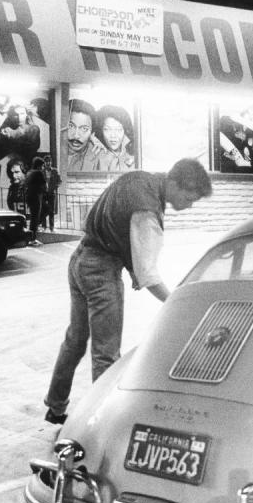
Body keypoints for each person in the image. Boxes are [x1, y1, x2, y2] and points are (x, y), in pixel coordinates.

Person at [43, 158, 213, 424]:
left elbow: (114, 219)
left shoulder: (139, 178)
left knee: (75, 340)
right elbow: (149, 274)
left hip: (80, 258)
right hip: (101, 271)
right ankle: (103, 423)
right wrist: (174, 302)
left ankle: (55, 406)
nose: (189, 205)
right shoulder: (148, 211)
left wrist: (132, 267)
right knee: (106, 353)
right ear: (178, 184)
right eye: (190, 198)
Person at [64, 99, 108, 171]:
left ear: (92, 134)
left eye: (84, 129)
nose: (76, 135)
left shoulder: (99, 156)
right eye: (71, 126)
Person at [95, 105, 136, 171]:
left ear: (125, 131)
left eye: (118, 129)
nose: (113, 135)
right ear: (101, 130)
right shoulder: (96, 154)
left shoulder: (134, 156)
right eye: (107, 129)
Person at [41, 155, 61, 231]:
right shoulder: (41, 172)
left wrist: (55, 187)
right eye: (46, 162)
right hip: (43, 194)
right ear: (44, 163)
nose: (48, 163)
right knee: (43, 210)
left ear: (51, 162)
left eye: (49, 161)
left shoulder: (55, 171)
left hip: (51, 194)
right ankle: (44, 227)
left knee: (51, 211)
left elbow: (59, 181)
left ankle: (51, 227)